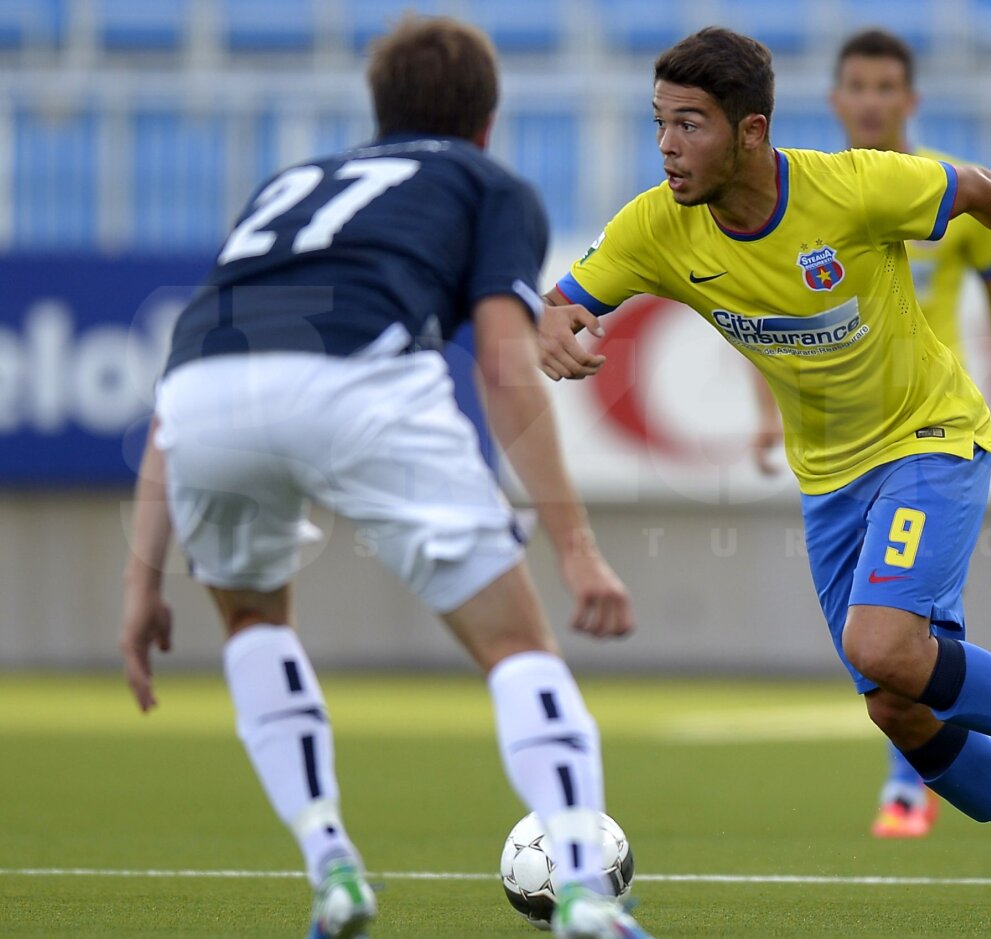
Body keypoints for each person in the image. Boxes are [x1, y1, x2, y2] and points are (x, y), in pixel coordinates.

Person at [538, 27, 991, 927]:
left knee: (883, 647)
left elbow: (975, 190)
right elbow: (563, 303)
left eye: (690, 125)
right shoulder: (658, 227)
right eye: (659, 123)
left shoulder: (850, 187)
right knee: (896, 709)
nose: (667, 145)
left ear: (752, 132)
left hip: (930, 436)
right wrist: (555, 326)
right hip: (829, 481)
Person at [119, 16, 651, 939]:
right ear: (487, 120)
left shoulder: (286, 185)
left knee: (250, 618)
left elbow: (184, 377)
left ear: (378, 112)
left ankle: (332, 867)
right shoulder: (489, 184)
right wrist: (577, 550)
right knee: (519, 649)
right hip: (362, 379)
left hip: (204, 395)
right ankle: (582, 893)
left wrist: (141, 579)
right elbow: (501, 358)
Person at [750, 28, 991, 840]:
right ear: (836, 100)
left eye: (888, 87)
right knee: (896, 636)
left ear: (909, 101)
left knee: (898, 626)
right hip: (843, 443)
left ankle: (916, 783)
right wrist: (758, 412)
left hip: (928, 430)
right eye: (858, 86)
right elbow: (754, 313)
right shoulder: (797, 198)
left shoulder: (949, 197)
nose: (873, 101)